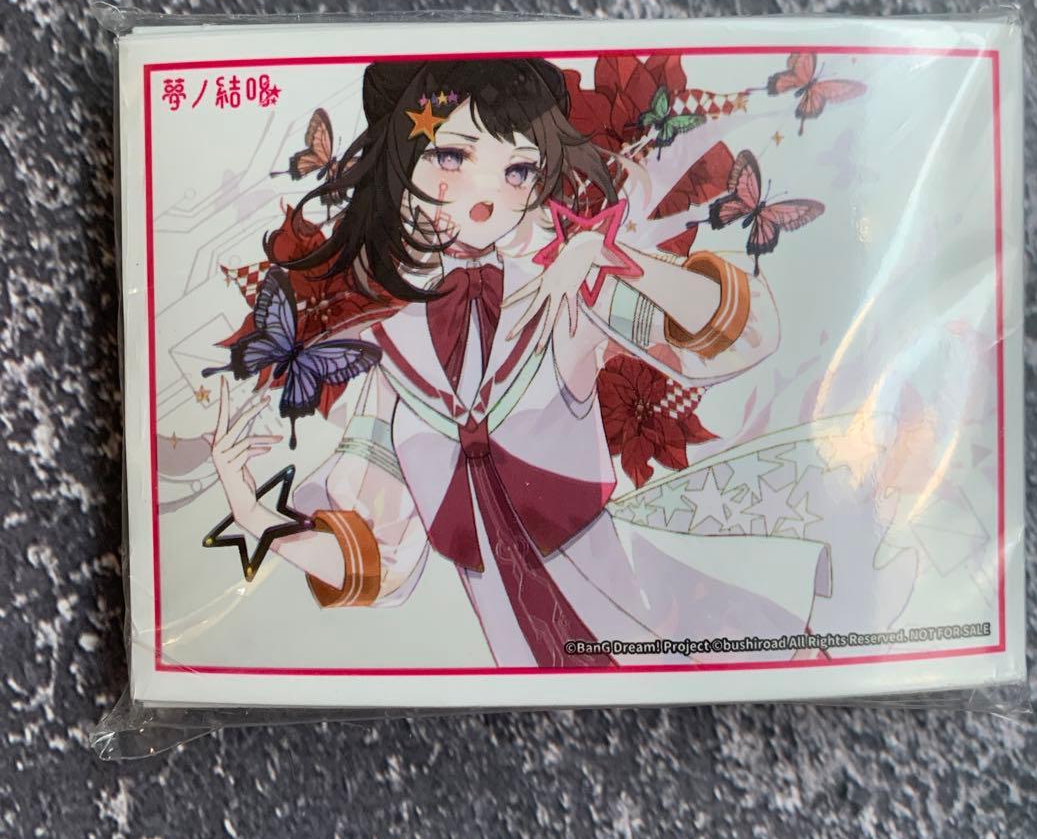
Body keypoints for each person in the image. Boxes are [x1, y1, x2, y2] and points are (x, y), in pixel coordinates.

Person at [210, 58, 829, 668]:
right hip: (508, 632)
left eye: (517, 169)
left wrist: (611, 257)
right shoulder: (392, 345)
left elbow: (742, 335)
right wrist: (253, 514)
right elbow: (377, 554)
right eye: (450, 156)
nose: (485, 199)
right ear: (399, 161)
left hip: (631, 599)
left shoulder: (561, 285)